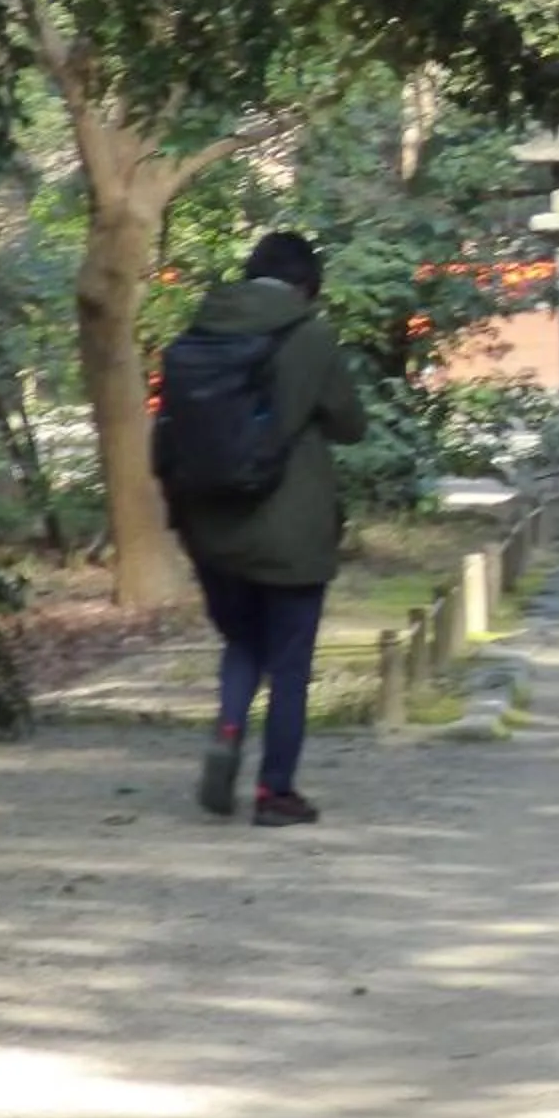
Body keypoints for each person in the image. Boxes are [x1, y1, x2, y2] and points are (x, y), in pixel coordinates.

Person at [161, 231, 369, 826]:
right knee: (290, 663)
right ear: (308, 286)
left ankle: (228, 729)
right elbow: (350, 423)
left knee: (242, 643)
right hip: (290, 530)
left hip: (210, 526)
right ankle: (274, 793)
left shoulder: (202, 328)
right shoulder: (310, 333)